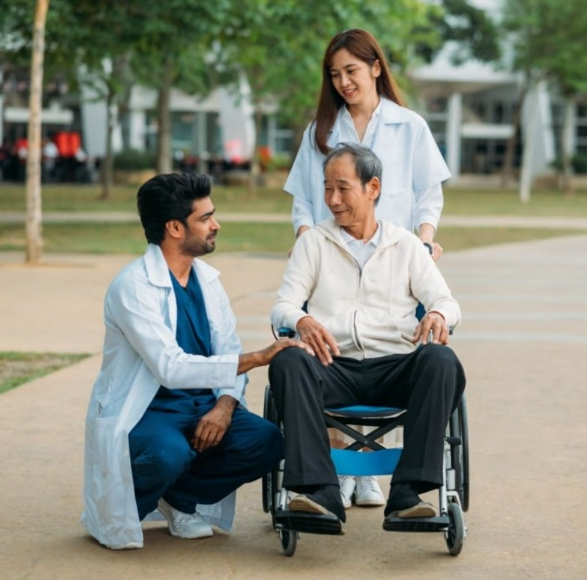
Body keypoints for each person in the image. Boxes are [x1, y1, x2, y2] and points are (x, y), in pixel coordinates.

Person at [81, 173, 312, 550]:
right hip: (147, 412)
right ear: (174, 227)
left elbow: (226, 347)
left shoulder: (207, 280)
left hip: (202, 404)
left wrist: (224, 406)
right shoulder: (133, 287)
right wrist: (257, 358)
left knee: (267, 442)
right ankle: (126, 507)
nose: (215, 225)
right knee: (166, 454)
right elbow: (170, 367)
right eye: (205, 218)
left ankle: (179, 499)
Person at [284, 28, 452, 507]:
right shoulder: (320, 130)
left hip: (397, 259)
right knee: (333, 345)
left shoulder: (409, 125)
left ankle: (373, 473)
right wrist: (309, 246)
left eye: (352, 71)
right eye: (335, 75)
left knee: (391, 345)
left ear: (376, 67)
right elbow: (303, 200)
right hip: (332, 255)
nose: (344, 83)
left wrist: (422, 241)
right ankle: (338, 469)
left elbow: (428, 194)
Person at [269, 143, 465, 533]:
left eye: (343, 188)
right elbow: (282, 307)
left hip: (394, 368)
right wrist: (302, 318)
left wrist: (441, 313)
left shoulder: (406, 245)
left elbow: (445, 300)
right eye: (327, 189)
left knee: (442, 360)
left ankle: (408, 494)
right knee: (288, 360)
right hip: (331, 364)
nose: (333, 199)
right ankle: (319, 493)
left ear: (373, 187)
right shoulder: (313, 243)